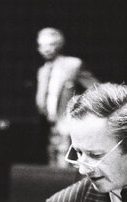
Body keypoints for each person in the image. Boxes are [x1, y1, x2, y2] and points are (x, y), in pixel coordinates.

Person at [35, 27, 98, 167]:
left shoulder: (72, 65)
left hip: (67, 126)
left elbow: (96, 90)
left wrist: (80, 115)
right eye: (42, 45)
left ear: (59, 45)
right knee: (52, 167)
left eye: (50, 44)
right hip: (49, 126)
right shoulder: (43, 70)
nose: (46, 49)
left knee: (65, 167)